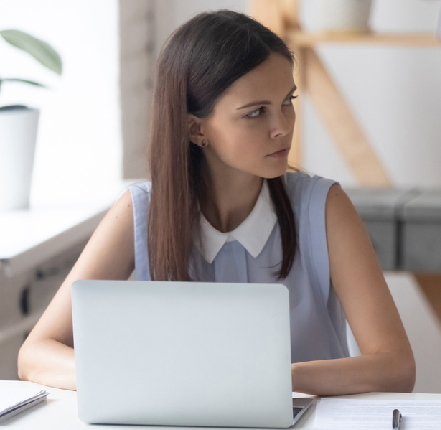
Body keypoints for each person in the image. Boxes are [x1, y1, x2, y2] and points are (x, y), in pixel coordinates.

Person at [17, 10, 416, 395]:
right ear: (195, 128)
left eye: (287, 102)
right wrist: (130, 377)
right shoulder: (139, 211)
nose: (282, 127)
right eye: (256, 112)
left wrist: (276, 377)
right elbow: (36, 355)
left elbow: (395, 365)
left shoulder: (323, 206)